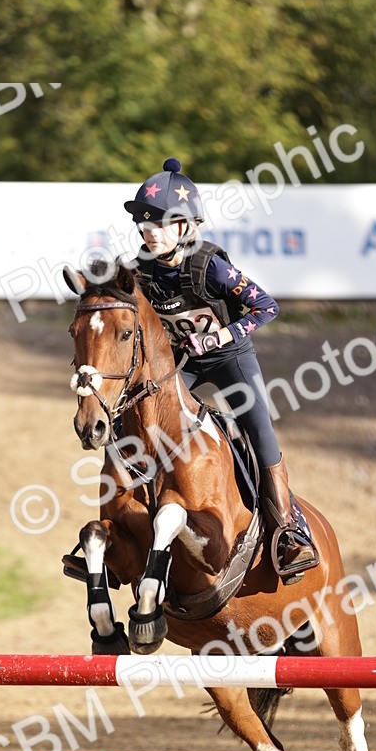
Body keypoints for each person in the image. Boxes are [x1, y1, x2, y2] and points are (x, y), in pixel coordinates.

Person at [123, 157, 318, 578]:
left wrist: (219, 336)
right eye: (144, 224)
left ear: (185, 227)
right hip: (184, 364)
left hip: (231, 360)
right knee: (136, 418)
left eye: (158, 223)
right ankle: (126, 525)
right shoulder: (140, 270)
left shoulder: (210, 265)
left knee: (259, 431)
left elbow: (267, 306)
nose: (147, 231)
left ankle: (289, 532)